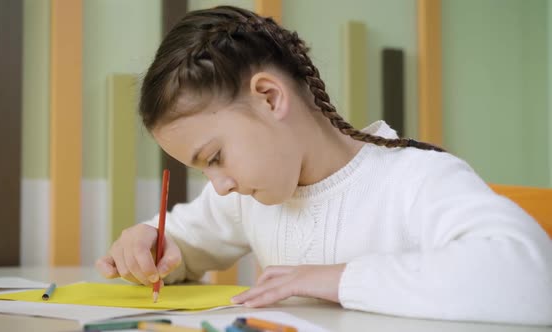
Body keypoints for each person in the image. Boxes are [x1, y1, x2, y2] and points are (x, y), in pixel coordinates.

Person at [96, 6, 552, 325]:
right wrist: (149, 245)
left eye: (215, 158)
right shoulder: (253, 199)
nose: (218, 186)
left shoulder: (415, 179)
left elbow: (533, 278)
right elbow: (183, 245)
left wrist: (336, 279)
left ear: (270, 97)